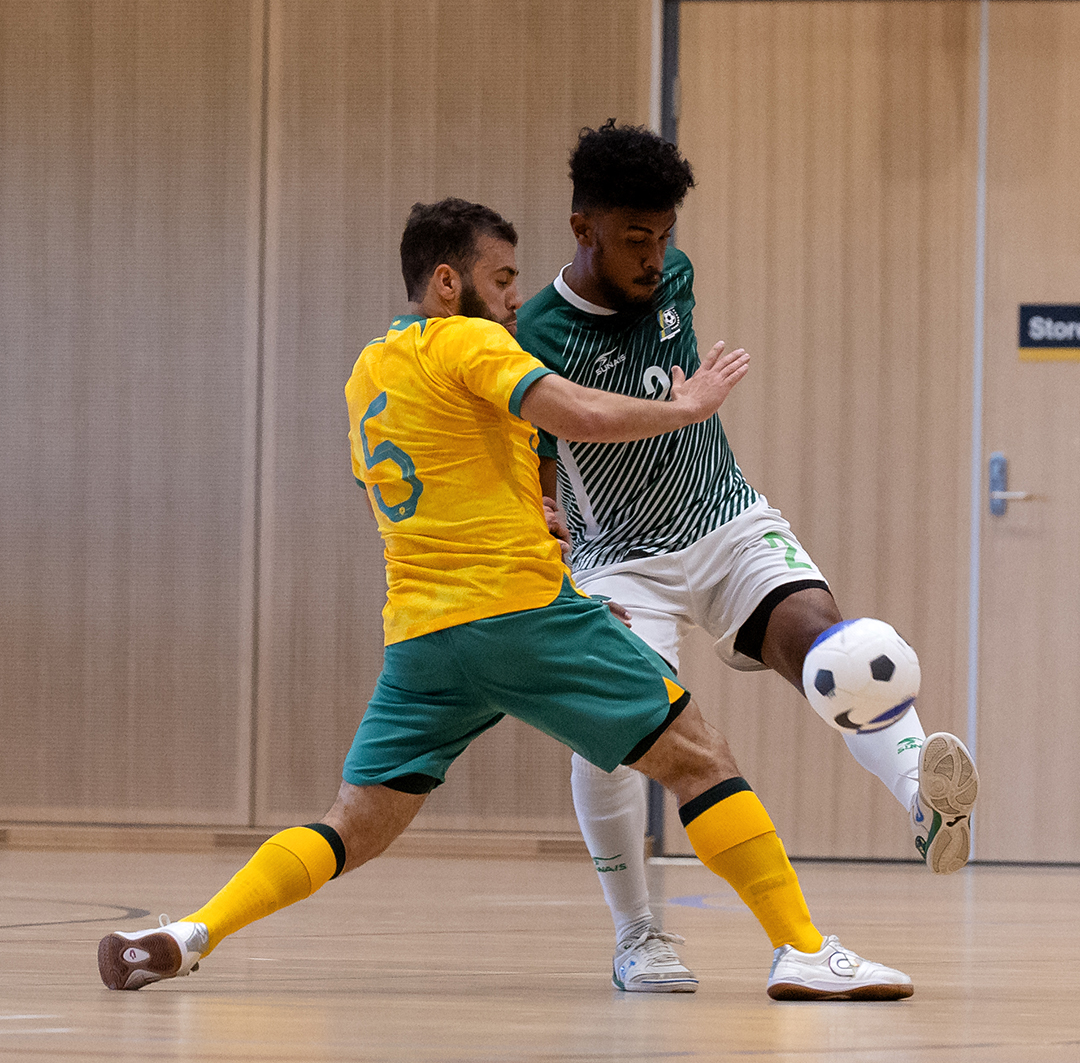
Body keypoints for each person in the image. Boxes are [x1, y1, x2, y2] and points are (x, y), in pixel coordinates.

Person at [97, 197, 912, 1002]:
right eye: (504, 275)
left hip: (422, 637)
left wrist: (544, 524)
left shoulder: (369, 371)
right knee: (697, 758)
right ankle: (802, 951)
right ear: (449, 282)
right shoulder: (470, 342)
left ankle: (187, 933)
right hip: (516, 613)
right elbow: (579, 413)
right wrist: (685, 406)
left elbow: (437, 489)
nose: (518, 294)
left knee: (354, 824)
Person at [515, 121, 980, 993]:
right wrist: (540, 510)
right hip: (618, 554)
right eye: (634, 239)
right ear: (584, 229)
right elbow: (538, 436)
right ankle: (638, 936)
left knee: (839, 651)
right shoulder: (532, 332)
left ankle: (925, 796)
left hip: (723, 520)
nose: (655, 258)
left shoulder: (675, 281)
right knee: (611, 738)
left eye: (665, 236)